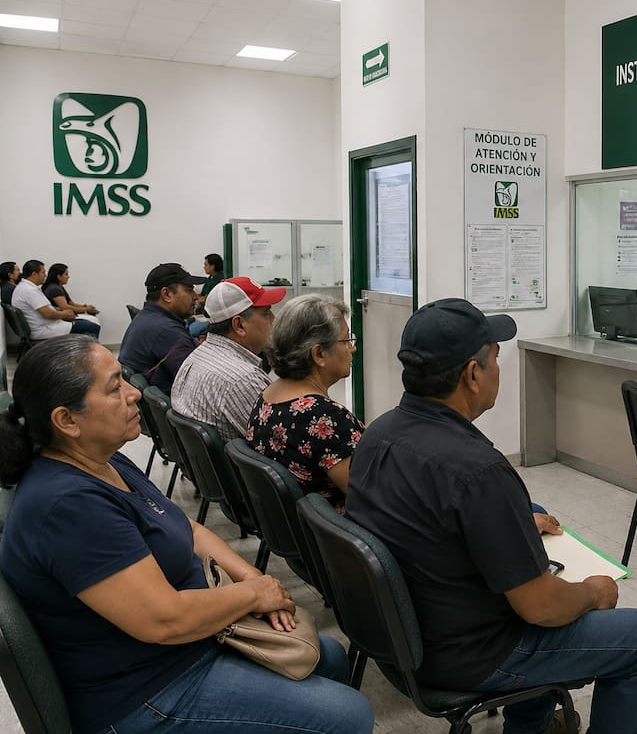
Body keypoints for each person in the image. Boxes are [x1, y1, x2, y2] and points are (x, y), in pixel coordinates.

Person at [0, 335, 373, 734]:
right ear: (67, 420)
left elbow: (186, 527)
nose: (133, 394)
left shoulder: (102, 461)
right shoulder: (67, 506)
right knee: (347, 715)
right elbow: (164, 620)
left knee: (327, 654)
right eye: (114, 388)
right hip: (145, 692)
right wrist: (252, 595)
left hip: (185, 646)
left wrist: (252, 578)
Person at [348, 298, 637, 734]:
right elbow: (541, 607)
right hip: (471, 655)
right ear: (473, 375)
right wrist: (594, 593)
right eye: (496, 359)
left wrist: (515, 523)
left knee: (534, 521)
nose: (500, 369)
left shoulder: (378, 433)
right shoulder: (478, 470)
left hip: (404, 641)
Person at [246, 295, 362, 515]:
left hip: (302, 530)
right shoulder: (322, 417)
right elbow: (368, 491)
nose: (352, 349)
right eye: (346, 341)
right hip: (340, 536)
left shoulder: (269, 395)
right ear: (319, 354)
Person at [172, 277, 285, 442]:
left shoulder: (197, 355)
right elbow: (283, 445)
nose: (274, 319)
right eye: (266, 313)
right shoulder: (243, 380)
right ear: (239, 325)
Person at [119, 263, 205, 393]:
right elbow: (203, 380)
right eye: (189, 290)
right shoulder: (166, 331)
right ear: (166, 294)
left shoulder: (149, 317)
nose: (195, 296)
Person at [10, 259, 101, 340]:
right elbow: (48, 313)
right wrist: (64, 313)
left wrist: (59, 311)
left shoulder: (25, 287)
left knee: (85, 323)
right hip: (44, 329)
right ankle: (90, 355)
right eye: (43, 272)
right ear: (34, 274)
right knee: (91, 327)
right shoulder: (29, 290)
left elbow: (45, 309)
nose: (45, 275)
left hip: (45, 325)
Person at [190, 253, 226, 338]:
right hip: (203, 311)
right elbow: (203, 295)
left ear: (213, 266)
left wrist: (198, 299)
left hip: (211, 314)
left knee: (192, 329)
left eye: (206, 265)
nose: (204, 267)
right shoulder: (210, 278)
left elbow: (208, 298)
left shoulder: (220, 279)